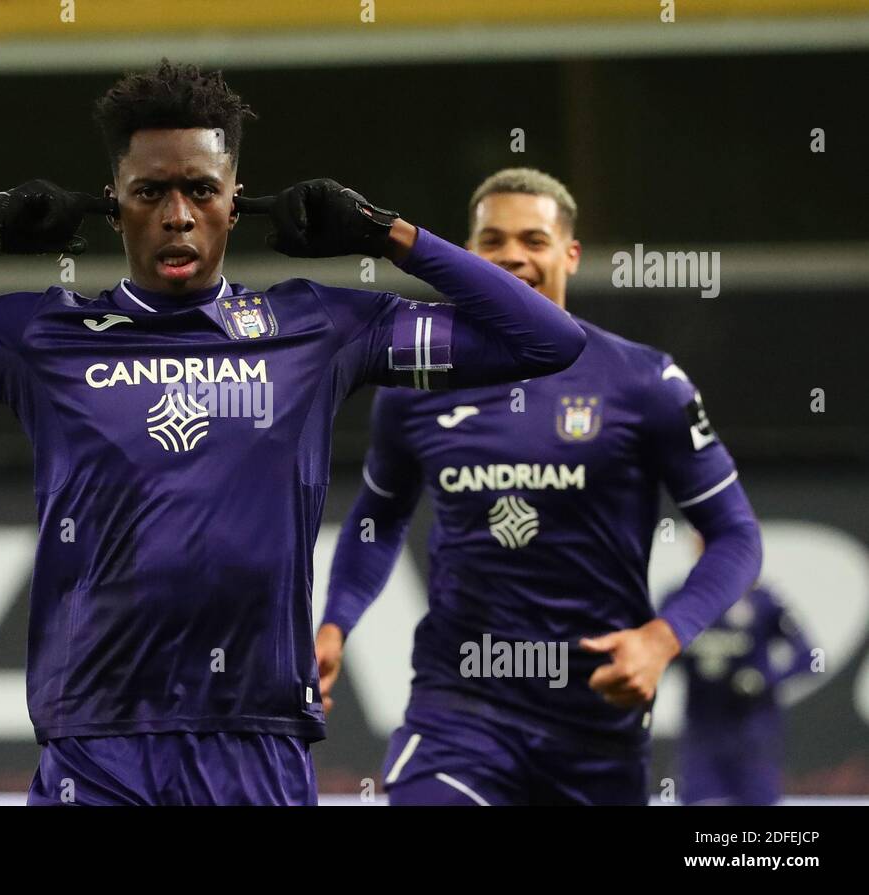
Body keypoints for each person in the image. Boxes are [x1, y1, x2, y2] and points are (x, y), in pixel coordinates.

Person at [0, 64, 585, 805]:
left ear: (236, 197)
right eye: (150, 193)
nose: (178, 216)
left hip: (256, 740)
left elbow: (545, 340)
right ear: (114, 199)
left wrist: (386, 233)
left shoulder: (319, 326)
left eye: (200, 190)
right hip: (97, 743)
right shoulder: (41, 335)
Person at [318, 167, 762, 805]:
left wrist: (662, 639)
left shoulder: (644, 383)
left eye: (533, 239)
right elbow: (378, 519)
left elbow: (736, 534)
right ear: (468, 254)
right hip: (460, 703)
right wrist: (335, 625)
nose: (512, 257)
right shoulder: (413, 386)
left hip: (594, 715)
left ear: (570, 254)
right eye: (493, 241)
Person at [679, 574, 812, 805]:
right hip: (701, 732)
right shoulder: (681, 601)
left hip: (753, 731)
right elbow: (656, 654)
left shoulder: (764, 602)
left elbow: (810, 658)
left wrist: (765, 680)